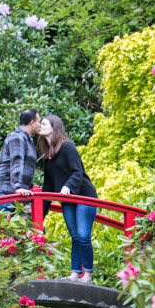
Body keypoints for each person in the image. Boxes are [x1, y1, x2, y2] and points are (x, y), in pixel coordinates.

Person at [37, 114, 98, 284]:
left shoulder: (67, 148)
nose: (41, 126)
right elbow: (48, 187)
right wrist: (39, 215)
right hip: (67, 200)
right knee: (75, 237)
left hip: (84, 197)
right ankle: (75, 272)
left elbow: (77, 171)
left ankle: (88, 275)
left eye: (44, 123)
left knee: (84, 236)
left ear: (54, 127)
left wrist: (68, 186)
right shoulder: (48, 157)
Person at [0, 108, 41, 209]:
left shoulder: (27, 140)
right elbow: (17, 162)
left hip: (15, 196)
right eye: (39, 121)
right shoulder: (17, 137)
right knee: (5, 224)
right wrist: (18, 187)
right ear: (32, 123)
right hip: (5, 194)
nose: (40, 125)